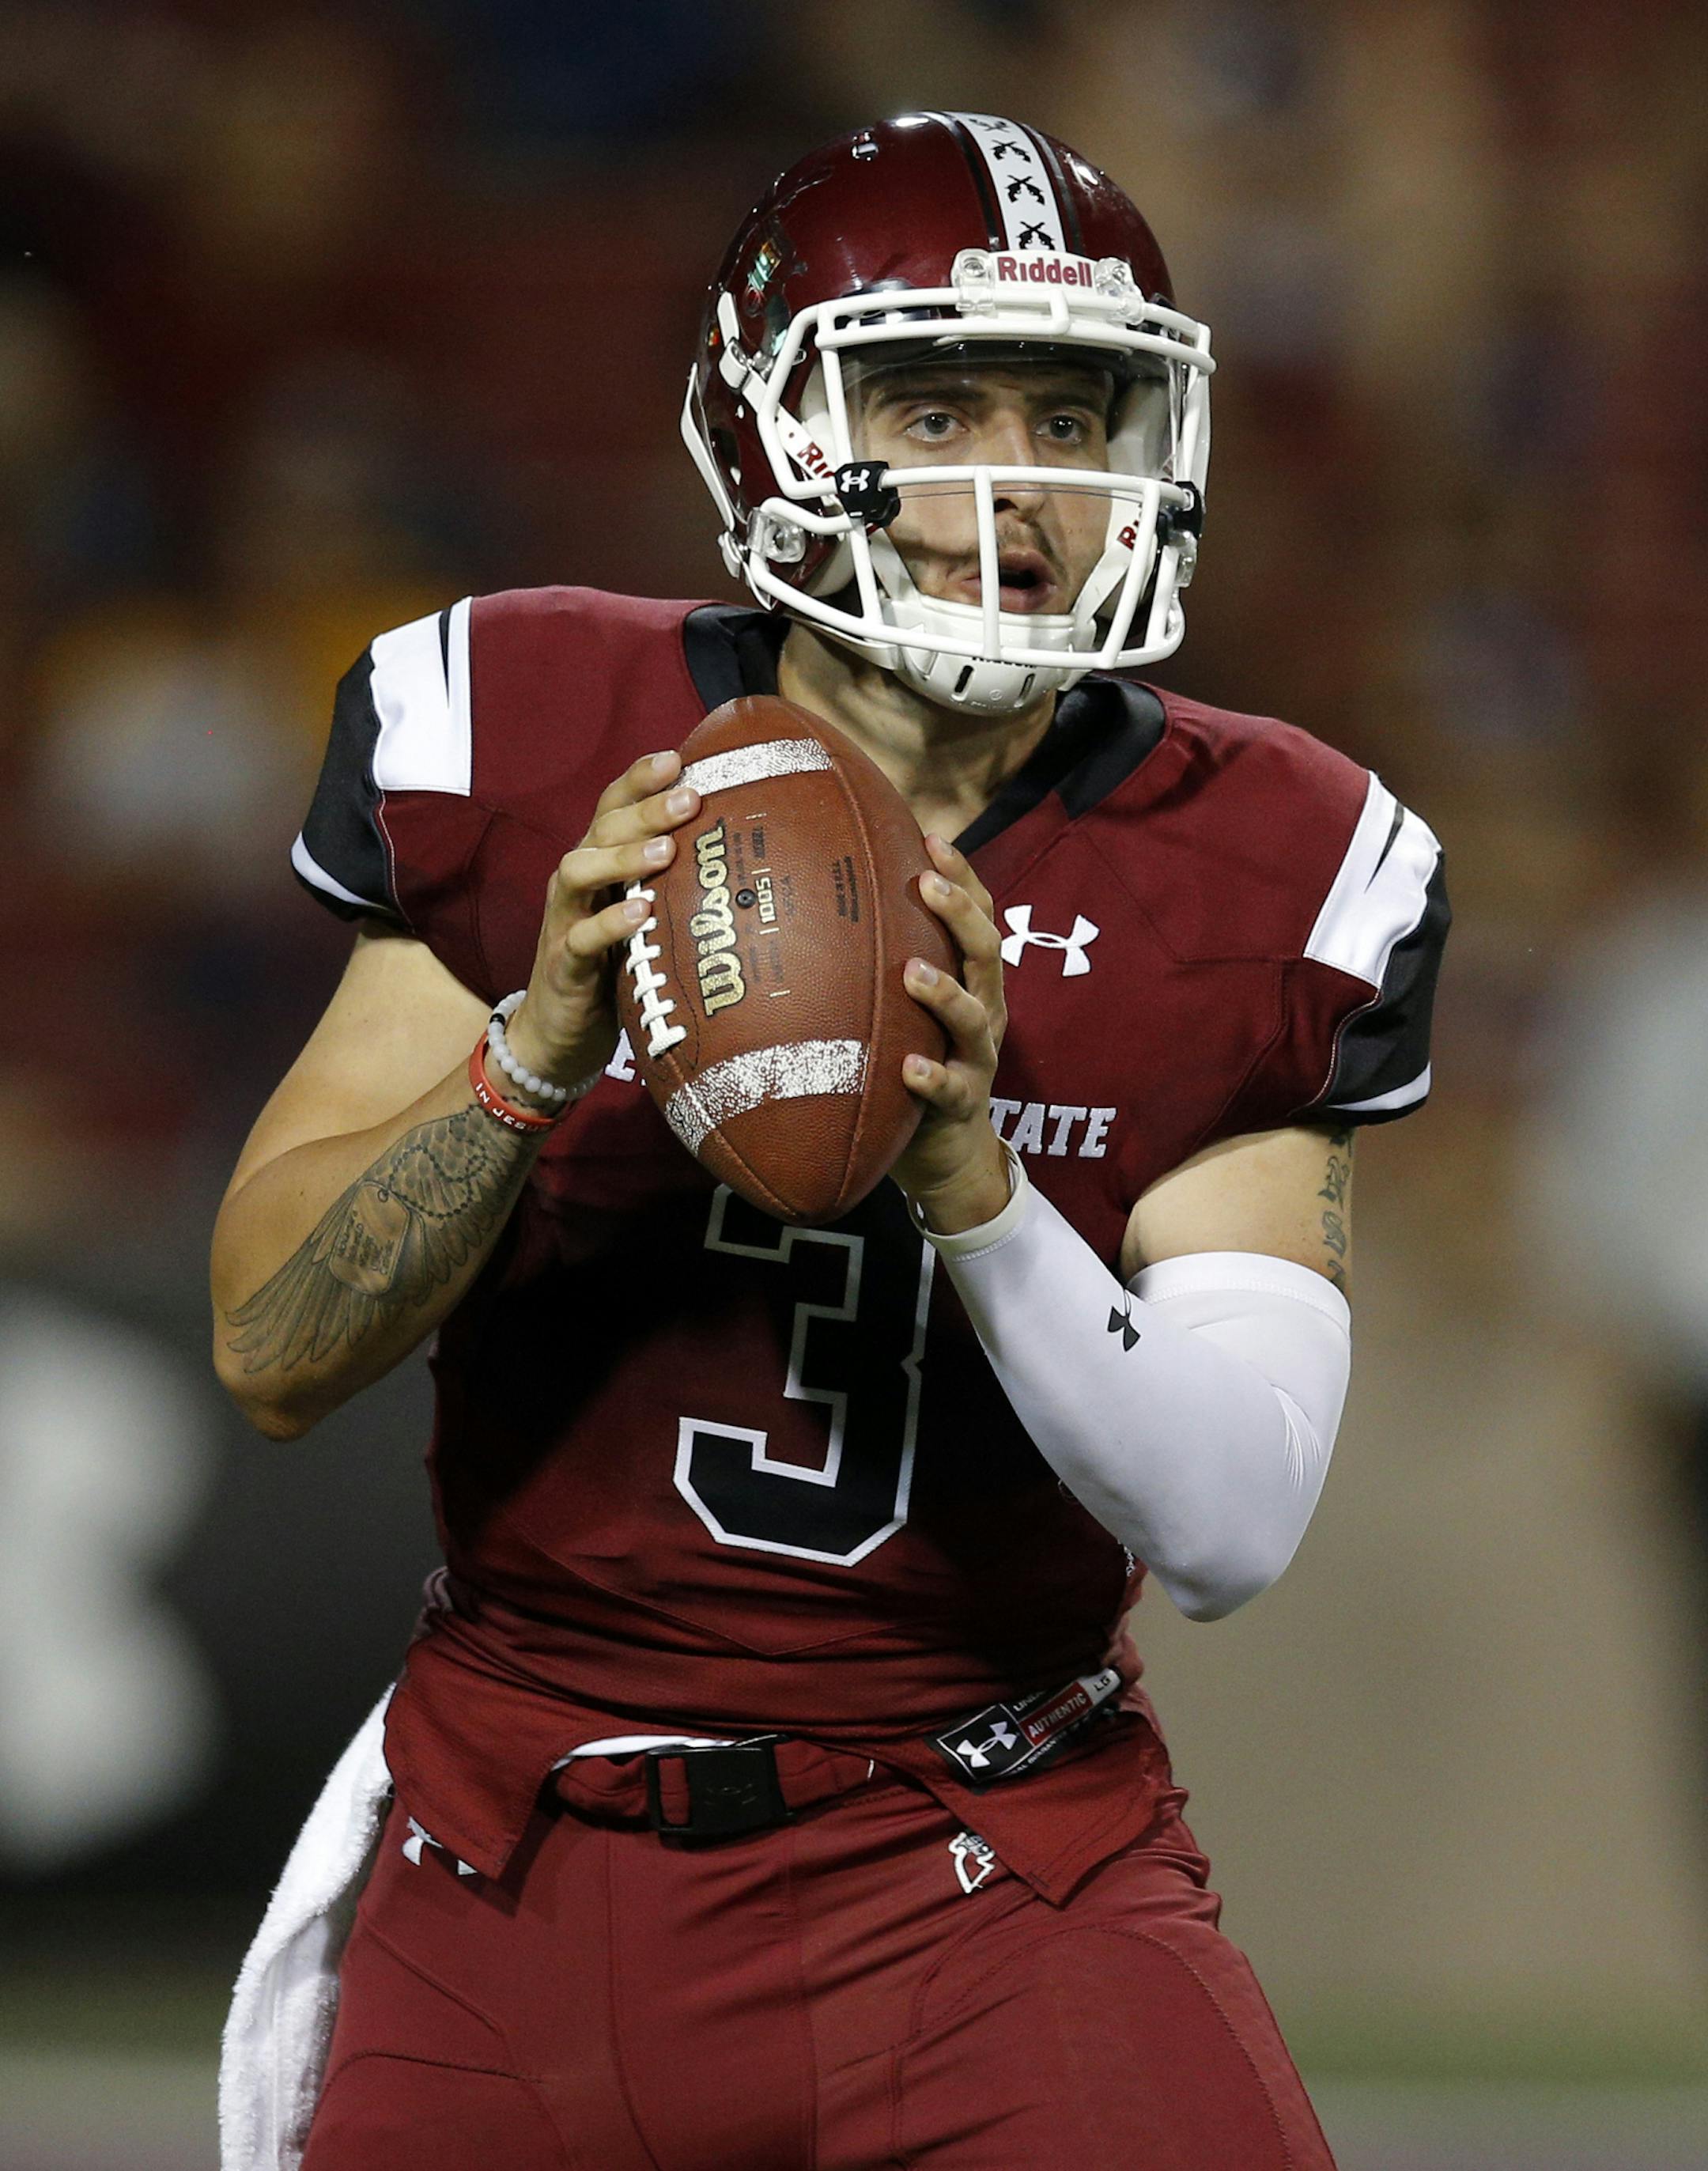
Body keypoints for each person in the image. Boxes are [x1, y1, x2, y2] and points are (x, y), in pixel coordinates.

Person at [212, 113, 1449, 2171]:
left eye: (1076, 413)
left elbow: (1231, 1520)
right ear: (769, 417)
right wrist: (534, 1051)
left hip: (994, 1854)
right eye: (937, 399)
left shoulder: (1267, 861)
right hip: (527, 1850)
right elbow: (271, 1342)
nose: (1013, 480)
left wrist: (973, 1179)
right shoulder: (520, 734)